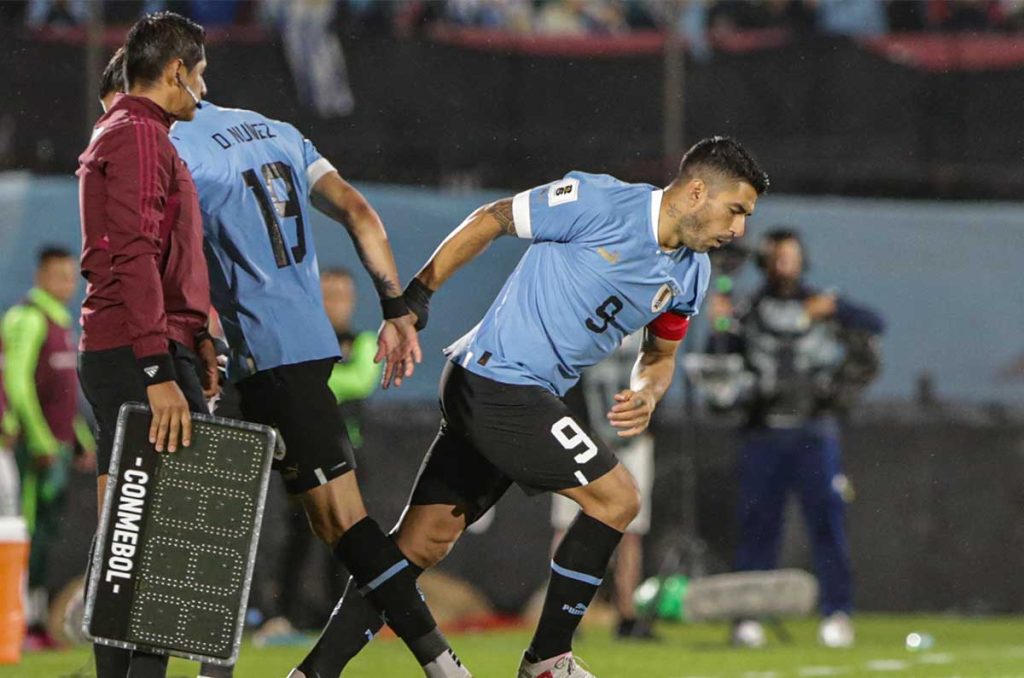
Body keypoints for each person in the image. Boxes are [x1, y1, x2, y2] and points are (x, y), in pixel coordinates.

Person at [296, 136, 769, 678]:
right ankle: (547, 661)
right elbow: (492, 217)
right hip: (496, 380)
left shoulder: (691, 273)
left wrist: (648, 392)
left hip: (520, 393)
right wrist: (416, 298)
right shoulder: (598, 201)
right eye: (736, 211)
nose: (738, 230)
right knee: (616, 499)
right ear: (696, 191)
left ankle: (312, 673)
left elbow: (660, 354)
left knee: (419, 546)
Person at [169, 101, 468, 678]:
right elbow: (358, 210)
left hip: (247, 351)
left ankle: (439, 661)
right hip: (300, 349)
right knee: (331, 524)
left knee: (245, 527)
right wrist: (395, 306)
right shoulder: (280, 131)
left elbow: (174, 253)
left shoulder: (177, 142)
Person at [77, 12, 220, 678]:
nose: (203, 88)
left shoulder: (138, 132)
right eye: (200, 75)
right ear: (175, 74)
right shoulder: (137, 134)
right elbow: (133, 252)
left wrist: (196, 338)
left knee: (142, 543)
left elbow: (166, 258)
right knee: (155, 548)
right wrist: (160, 367)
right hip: (141, 354)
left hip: (151, 346)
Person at [706, 228, 884, 649]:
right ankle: (747, 617)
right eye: (777, 256)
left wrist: (837, 308)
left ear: (803, 260)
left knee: (828, 524)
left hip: (814, 430)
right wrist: (720, 324)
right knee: (757, 527)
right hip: (764, 431)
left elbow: (876, 325)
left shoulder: (821, 303)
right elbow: (722, 358)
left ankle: (837, 613)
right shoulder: (749, 310)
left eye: (791, 255)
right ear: (765, 262)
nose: (785, 263)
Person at [254, 267, 382, 641]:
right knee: (300, 536)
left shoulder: (363, 342)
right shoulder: (298, 339)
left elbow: (359, 380)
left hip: (350, 456)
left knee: (348, 538)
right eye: (327, 295)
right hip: (302, 452)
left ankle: (339, 618)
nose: (335, 304)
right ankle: (284, 616)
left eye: (342, 296)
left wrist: (307, 385)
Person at [0, 246, 96, 649]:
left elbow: (64, 396)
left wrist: (80, 440)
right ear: (41, 276)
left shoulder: (62, 323)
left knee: (44, 536)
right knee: (23, 531)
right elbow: (18, 383)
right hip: (31, 448)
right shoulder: (27, 317)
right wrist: (40, 440)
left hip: (56, 447)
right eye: (58, 276)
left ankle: (32, 621)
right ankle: (16, 623)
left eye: (71, 276)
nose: (66, 284)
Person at [551, 331, 656, 641]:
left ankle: (627, 615)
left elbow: (658, 370)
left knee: (631, 532)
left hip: (631, 439)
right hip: (578, 437)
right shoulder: (579, 316)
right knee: (567, 527)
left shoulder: (645, 319)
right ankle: (561, 612)